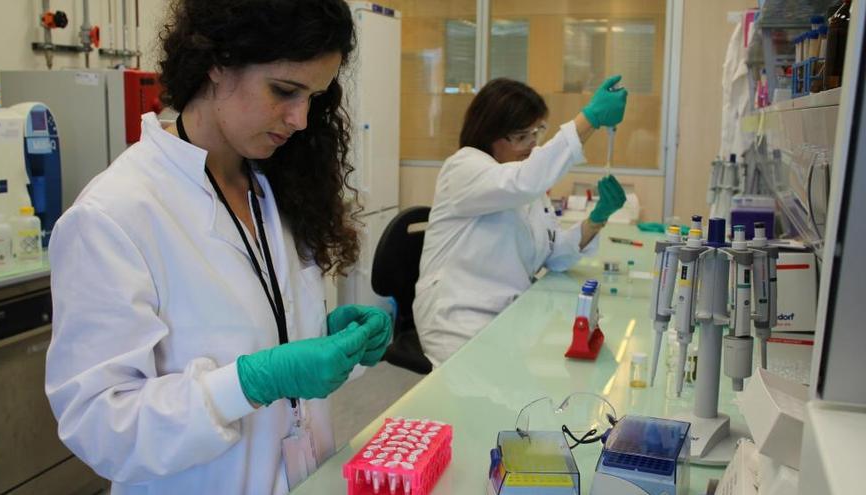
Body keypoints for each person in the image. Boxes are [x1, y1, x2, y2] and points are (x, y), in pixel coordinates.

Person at [44, 1, 392, 493]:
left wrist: (329, 338)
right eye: (284, 91)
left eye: (314, 96)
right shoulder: (114, 215)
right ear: (217, 61)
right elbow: (101, 427)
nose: (300, 119)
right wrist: (247, 383)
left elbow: (261, 327)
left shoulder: (277, 186)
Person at [413, 77, 628, 366]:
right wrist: (589, 119)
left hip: (509, 319)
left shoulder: (525, 185)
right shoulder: (464, 168)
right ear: (491, 134)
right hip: (459, 324)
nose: (531, 145)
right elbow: (523, 181)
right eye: (521, 136)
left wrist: (598, 218)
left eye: (536, 132)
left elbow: (555, 256)